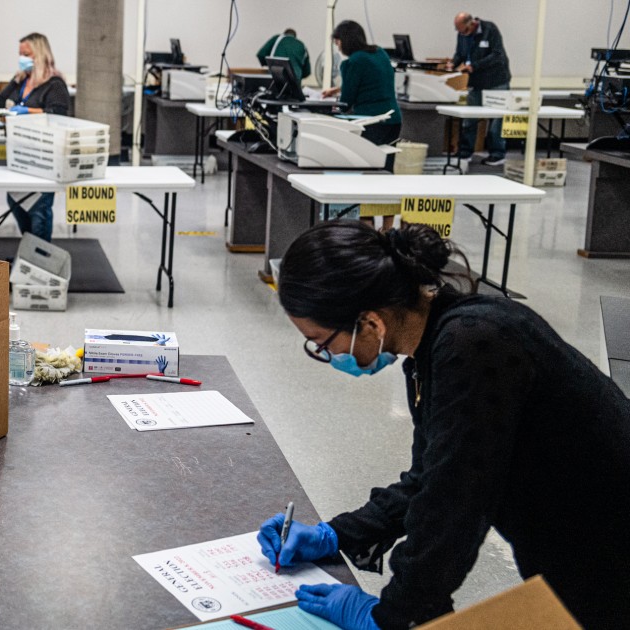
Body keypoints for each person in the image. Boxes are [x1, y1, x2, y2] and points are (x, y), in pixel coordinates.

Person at [257, 221, 630, 630]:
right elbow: (428, 478)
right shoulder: (433, 349)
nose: (329, 356)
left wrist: (391, 616)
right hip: (578, 541)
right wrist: (336, 534)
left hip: (609, 548)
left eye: (323, 343)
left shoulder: (473, 345)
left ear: (371, 324)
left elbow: (452, 508)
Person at [0, 32, 69, 242]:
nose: (22, 58)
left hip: (44, 157)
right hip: (19, 153)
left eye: (26, 54)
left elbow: (59, 116)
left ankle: (40, 259)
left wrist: (29, 112)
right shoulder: (20, 80)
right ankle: (30, 249)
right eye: (20, 54)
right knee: (15, 200)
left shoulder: (55, 84)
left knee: (38, 210)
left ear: (40, 54)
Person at [322, 20, 402, 229]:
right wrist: (336, 90)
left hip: (371, 123)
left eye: (337, 42)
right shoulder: (380, 53)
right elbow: (372, 82)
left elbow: (347, 101)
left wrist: (325, 110)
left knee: (366, 177)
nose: (337, 47)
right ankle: (387, 229)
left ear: (344, 40)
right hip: (393, 121)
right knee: (386, 174)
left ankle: (366, 230)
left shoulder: (351, 63)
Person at [448, 12, 511, 166]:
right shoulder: (462, 34)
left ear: (472, 24)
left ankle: (497, 154)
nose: (462, 34)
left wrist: (475, 66)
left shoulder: (489, 29)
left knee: (496, 120)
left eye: (464, 30)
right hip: (476, 82)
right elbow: (460, 53)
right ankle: (465, 152)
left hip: (496, 81)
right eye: (459, 31)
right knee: (469, 118)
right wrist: (453, 64)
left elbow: (497, 55)